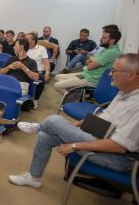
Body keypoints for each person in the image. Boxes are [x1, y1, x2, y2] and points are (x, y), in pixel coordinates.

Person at [8, 53, 139, 189]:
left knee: (54, 120)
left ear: (131, 75)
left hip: (115, 158)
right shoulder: (124, 92)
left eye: (114, 71)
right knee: (45, 136)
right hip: (100, 136)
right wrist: (75, 126)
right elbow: (105, 115)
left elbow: (118, 146)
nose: (110, 74)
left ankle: (39, 126)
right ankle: (34, 178)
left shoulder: (137, 107)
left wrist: (74, 146)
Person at [54, 28, 122, 95]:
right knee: (57, 77)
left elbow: (89, 66)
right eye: (102, 37)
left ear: (112, 40)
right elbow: (88, 62)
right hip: (85, 73)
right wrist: (91, 59)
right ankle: (76, 92)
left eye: (104, 38)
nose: (101, 39)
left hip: (90, 79)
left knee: (57, 85)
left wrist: (90, 59)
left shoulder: (111, 52)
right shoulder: (106, 49)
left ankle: (75, 97)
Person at [26, 32, 50, 109]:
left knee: (41, 79)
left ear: (33, 41)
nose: (25, 40)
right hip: (25, 70)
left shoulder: (41, 49)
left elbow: (46, 62)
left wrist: (47, 72)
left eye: (27, 39)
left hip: (38, 71)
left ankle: (36, 99)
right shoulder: (24, 48)